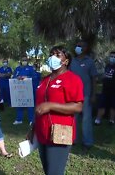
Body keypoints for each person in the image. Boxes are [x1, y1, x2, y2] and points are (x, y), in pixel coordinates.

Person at [27, 46, 83, 175]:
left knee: (54, 172)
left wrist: (51, 105)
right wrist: (32, 128)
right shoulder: (44, 80)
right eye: (51, 54)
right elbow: (39, 106)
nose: (53, 57)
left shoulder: (73, 79)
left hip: (60, 133)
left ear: (66, 61)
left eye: (58, 55)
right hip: (42, 132)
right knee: (48, 171)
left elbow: (78, 106)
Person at [69, 40, 98, 149]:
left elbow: (94, 79)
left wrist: (94, 94)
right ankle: (72, 140)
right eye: (77, 45)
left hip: (85, 95)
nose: (78, 47)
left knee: (86, 119)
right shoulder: (72, 61)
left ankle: (87, 142)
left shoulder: (90, 62)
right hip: (73, 95)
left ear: (85, 48)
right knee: (73, 119)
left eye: (80, 46)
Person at [94, 51, 115, 125]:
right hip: (105, 90)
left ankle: (111, 121)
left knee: (113, 106)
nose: (113, 58)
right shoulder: (107, 66)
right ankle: (98, 120)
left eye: (114, 57)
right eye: (111, 56)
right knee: (101, 105)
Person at [12, 56, 36, 125]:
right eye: (23, 60)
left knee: (30, 104)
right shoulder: (17, 69)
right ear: (21, 61)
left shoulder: (30, 68)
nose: (24, 61)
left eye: (25, 60)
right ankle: (19, 119)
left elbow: (35, 77)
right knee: (19, 104)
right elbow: (13, 77)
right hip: (19, 89)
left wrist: (26, 77)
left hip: (28, 89)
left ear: (27, 61)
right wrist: (17, 77)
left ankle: (31, 120)